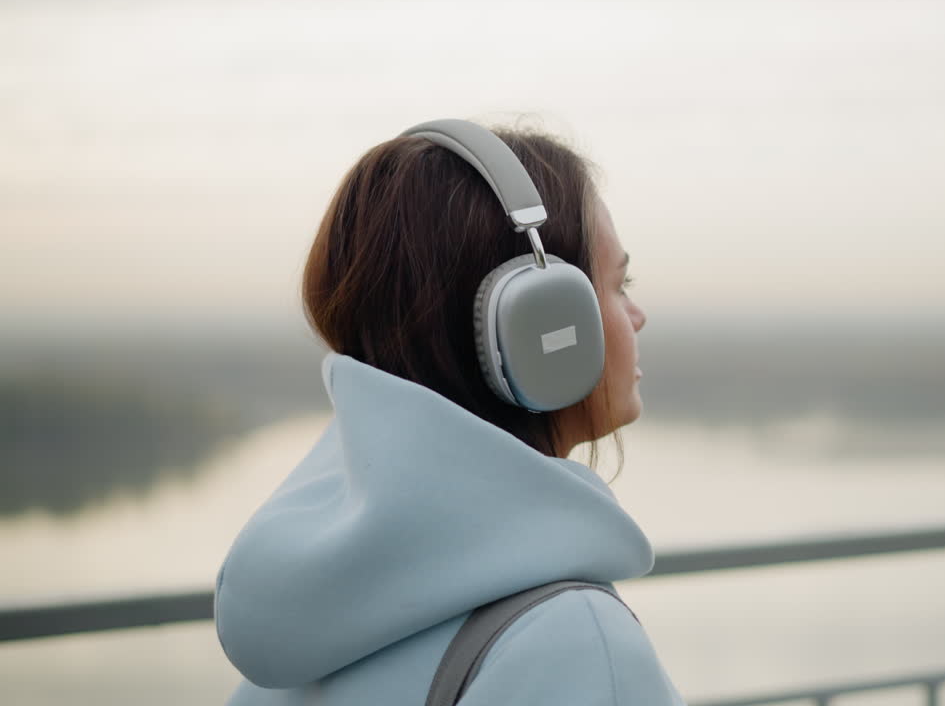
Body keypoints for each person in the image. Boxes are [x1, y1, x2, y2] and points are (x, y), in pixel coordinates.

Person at [212, 119, 683, 705]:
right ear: (541, 324)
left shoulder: (306, 632)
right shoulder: (575, 643)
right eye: (616, 285)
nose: (636, 316)